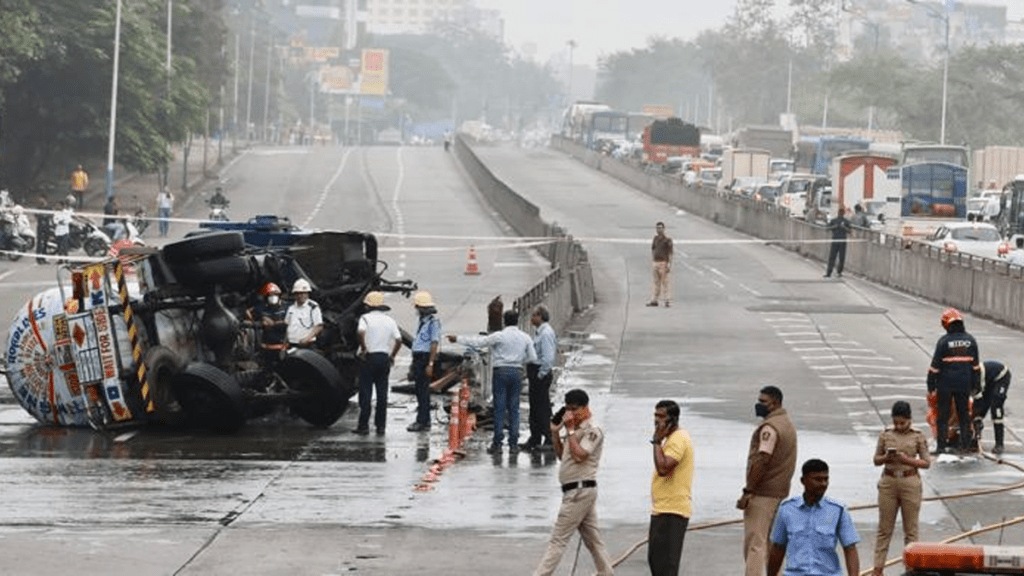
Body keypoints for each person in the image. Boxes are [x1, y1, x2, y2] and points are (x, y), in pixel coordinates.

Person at [533, 389, 614, 576]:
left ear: (585, 408)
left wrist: (569, 430)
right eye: (567, 409)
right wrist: (555, 433)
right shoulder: (574, 430)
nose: (571, 414)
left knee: (558, 540)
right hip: (577, 491)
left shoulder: (592, 431)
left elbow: (580, 456)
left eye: (574, 409)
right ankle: (606, 572)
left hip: (579, 491)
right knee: (593, 539)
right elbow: (564, 456)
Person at [447, 309, 537, 454]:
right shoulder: (525, 337)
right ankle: (513, 444)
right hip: (516, 372)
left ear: (504, 321)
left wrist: (457, 339)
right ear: (517, 320)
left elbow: (478, 343)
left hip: (500, 371)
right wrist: (518, 361)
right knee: (514, 408)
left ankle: (497, 443)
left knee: (499, 407)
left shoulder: (499, 336)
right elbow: (532, 357)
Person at [737, 385, 798, 576]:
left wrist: (748, 491)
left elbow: (762, 460)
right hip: (779, 492)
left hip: (763, 493)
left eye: (763, 402)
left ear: (775, 403)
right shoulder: (786, 423)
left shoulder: (770, 428)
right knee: (772, 542)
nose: (759, 405)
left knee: (755, 543)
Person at [768, 459, 861, 576]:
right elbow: (778, 548)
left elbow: (850, 548)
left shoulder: (838, 510)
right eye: (817, 479)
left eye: (826, 479)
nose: (823, 484)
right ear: (803, 481)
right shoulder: (786, 509)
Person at [870, 401, 930, 576]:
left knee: (910, 530)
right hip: (889, 481)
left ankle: (912, 569)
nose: (899, 426)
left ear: (909, 420)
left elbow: (926, 463)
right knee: (884, 529)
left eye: (902, 422)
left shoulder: (918, 436)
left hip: (910, 481)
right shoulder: (885, 435)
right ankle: (878, 569)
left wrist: (907, 460)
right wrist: (886, 458)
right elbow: (875, 460)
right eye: (896, 422)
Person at [649, 399, 694, 576]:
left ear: (672, 419)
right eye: (655, 415)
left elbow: (663, 468)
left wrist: (656, 442)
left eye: (661, 416)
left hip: (672, 511)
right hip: (663, 508)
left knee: (665, 566)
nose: (656, 421)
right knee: (656, 561)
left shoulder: (678, 440)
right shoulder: (671, 439)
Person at [927, 308, 980, 454]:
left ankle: (941, 447)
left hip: (945, 385)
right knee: (964, 415)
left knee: (943, 416)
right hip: (964, 384)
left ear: (946, 324)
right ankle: (965, 446)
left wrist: (930, 385)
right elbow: (975, 367)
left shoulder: (943, 342)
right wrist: (976, 385)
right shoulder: (971, 341)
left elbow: (934, 367)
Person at [354, 291, 402, 436]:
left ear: (368, 306)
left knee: (366, 393)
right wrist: (392, 355)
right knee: (382, 394)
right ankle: (380, 427)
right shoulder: (389, 320)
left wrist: (363, 348)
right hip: (383, 358)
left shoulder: (365, 318)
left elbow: (360, 332)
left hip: (368, 358)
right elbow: (399, 340)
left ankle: (363, 426)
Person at [522, 305, 557, 452]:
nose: (531, 319)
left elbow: (548, 358)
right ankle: (535, 437)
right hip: (535, 372)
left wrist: (541, 374)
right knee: (535, 407)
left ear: (540, 317)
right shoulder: (539, 332)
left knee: (542, 407)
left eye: (534, 316)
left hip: (539, 373)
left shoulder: (546, 333)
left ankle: (549, 438)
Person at [407, 291, 440, 433]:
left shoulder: (433, 323)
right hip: (418, 358)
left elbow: (434, 344)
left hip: (425, 358)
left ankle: (423, 421)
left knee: (423, 391)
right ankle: (423, 420)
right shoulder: (422, 322)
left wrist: (430, 364)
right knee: (419, 391)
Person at [973, 360, 1011, 455]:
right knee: (981, 409)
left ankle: (999, 444)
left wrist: (977, 415)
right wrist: (977, 417)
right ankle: (975, 438)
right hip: (989, 380)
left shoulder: (976, 377)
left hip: (1002, 376)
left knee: (996, 406)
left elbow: (978, 397)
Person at [249, 282, 288, 366]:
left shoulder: (286, 307)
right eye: (270, 295)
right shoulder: (261, 308)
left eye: (275, 294)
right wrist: (258, 321)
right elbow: (248, 312)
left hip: (283, 347)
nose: (273, 297)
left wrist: (274, 324)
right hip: (267, 348)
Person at [285, 278, 323, 348]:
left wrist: (307, 339)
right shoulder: (291, 308)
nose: (301, 296)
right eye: (298, 293)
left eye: (303, 293)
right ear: (295, 294)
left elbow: (319, 326)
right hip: (292, 344)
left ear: (307, 293)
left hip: (308, 345)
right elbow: (286, 325)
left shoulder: (313, 307)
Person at [647, 221, 674, 307]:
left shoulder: (667, 240)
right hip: (656, 262)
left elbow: (670, 253)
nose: (659, 229)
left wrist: (669, 264)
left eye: (660, 228)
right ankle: (655, 300)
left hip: (663, 262)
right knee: (656, 282)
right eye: (657, 228)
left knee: (665, 282)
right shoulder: (655, 238)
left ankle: (667, 300)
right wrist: (653, 260)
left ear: (663, 229)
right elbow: (653, 249)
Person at [824, 207, 852, 278]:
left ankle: (839, 272)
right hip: (835, 240)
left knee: (841, 257)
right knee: (832, 257)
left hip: (842, 241)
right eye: (840, 213)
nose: (840, 214)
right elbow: (827, 228)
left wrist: (844, 227)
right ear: (838, 213)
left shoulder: (846, 221)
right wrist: (834, 227)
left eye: (842, 213)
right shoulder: (834, 220)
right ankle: (829, 272)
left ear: (843, 214)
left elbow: (850, 231)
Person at [52, 200, 73, 265]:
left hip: (65, 231)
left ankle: (66, 259)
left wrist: (63, 222)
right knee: (59, 246)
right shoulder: (56, 213)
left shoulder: (66, 212)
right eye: (57, 205)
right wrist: (59, 222)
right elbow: (55, 220)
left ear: (62, 206)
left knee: (64, 246)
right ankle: (60, 259)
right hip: (58, 232)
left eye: (59, 205)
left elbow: (69, 220)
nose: (58, 206)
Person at [35, 195, 51, 264]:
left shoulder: (49, 208)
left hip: (46, 227)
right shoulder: (38, 207)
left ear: (45, 199)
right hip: (40, 227)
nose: (40, 200)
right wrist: (42, 216)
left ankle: (44, 258)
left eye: (41, 199)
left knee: (45, 243)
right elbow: (36, 215)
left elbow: (51, 215)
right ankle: (38, 258)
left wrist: (45, 216)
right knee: (39, 243)